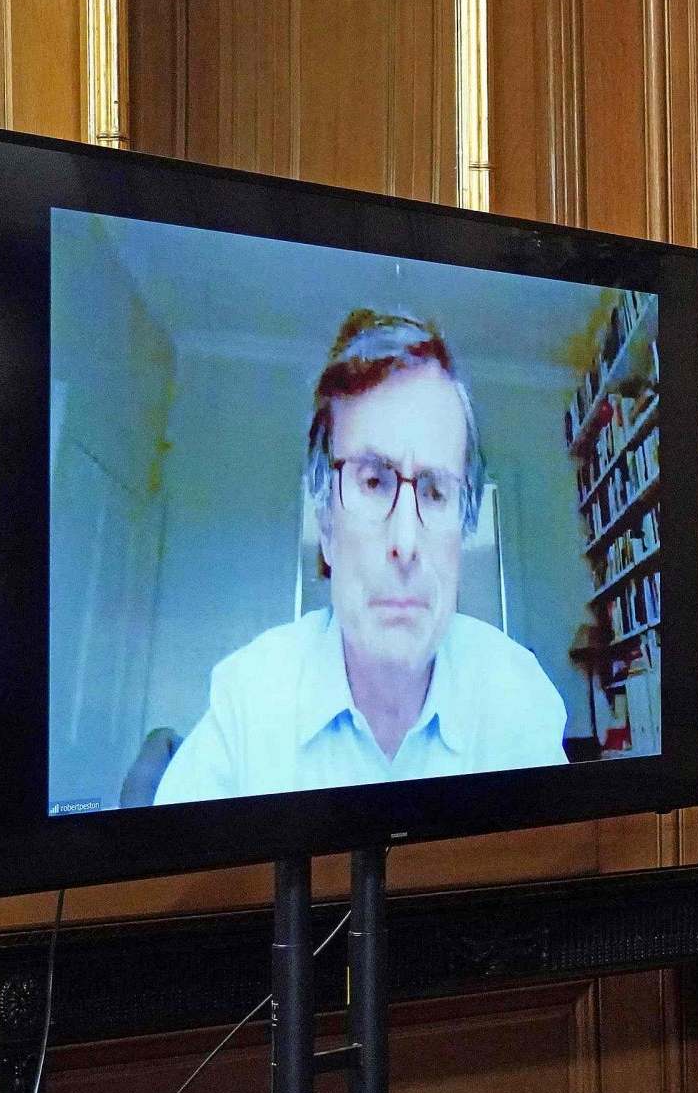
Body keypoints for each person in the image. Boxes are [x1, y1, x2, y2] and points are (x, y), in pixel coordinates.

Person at [156, 309, 567, 802]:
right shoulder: (246, 701)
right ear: (326, 523)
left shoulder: (519, 697)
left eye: (436, 492)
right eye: (373, 481)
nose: (407, 543)